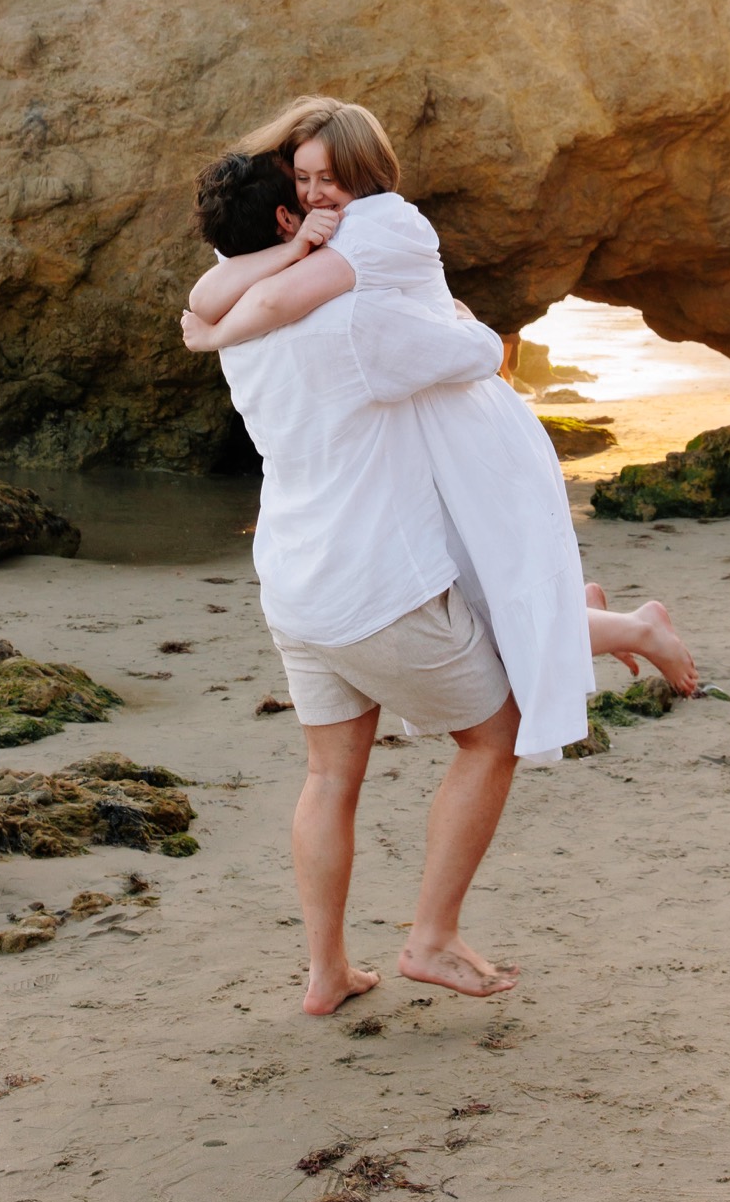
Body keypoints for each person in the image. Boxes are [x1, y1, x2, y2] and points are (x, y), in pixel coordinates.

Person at [184, 99, 699, 746]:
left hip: (458, 433)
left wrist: (211, 337)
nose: (316, 194)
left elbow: (268, 301)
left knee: (495, 614)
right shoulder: (316, 242)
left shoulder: (376, 227)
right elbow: (228, 290)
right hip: (420, 434)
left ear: (366, 174)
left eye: (328, 178)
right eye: (303, 179)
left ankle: (632, 626)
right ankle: (620, 620)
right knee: (494, 610)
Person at [182, 150, 527, 1013]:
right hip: (376, 580)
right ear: (286, 223)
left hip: (293, 578)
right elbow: (483, 352)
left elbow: (211, 297)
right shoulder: (356, 323)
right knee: (495, 733)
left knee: (329, 775)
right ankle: (433, 938)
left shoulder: (244, 334)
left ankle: (326, 971)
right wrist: (444, 304)